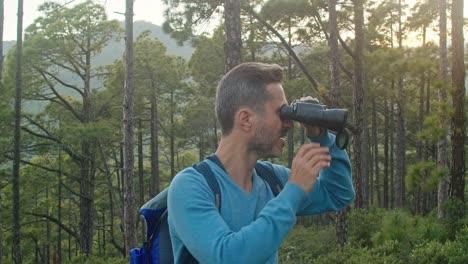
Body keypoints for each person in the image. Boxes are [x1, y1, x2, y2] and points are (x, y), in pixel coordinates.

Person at [168, 62, 355, 263]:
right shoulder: (191, 186)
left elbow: (338, 194)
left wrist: (321, 138)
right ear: (246, 119)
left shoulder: (271, 179)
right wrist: (293, 193)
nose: (290, 124)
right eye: (282, 113)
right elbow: (228, 257)